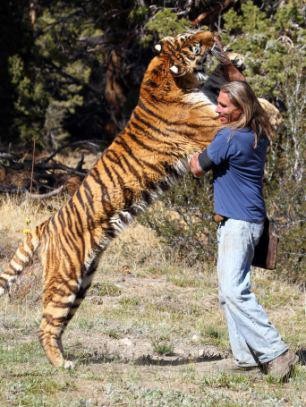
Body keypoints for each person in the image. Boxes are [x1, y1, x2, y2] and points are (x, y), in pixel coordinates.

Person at [189, 79, 298, 380]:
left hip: (237, 223)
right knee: (230, 292)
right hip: (249, 221)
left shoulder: (228, 137)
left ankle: (276, 351)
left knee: (234, 291)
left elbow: (198, 167)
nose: (217, 110)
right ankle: (247, 360)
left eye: (224, 106)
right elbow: (246, 93)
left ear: (241, 108)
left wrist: (190, 156)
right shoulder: (258, 133)